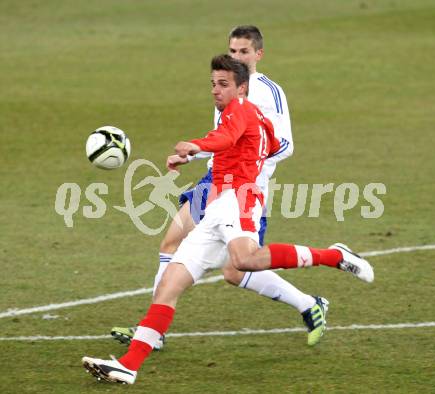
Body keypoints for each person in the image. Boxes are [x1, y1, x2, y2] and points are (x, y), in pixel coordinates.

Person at [82, 54, 374, 385]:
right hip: (217, 205)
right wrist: (208, 152)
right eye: (213, 84)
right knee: (169, 285)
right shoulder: (249, 116)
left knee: (244, 260)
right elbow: (251, 141)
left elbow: (228, 138)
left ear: (241, 88)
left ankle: (334, 256)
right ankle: (129, 365)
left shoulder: (240, 111)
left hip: (240, 199)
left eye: (223, 84)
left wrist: (196, 145)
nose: (215, 91)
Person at [111, 25, 316, 350]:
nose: (237, 57)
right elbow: (223, 138)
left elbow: (285, 144)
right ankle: (153, 332)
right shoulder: (228, 88)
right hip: (214, 182)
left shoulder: (269, 93)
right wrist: (192, 154)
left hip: (245, 190)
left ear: (258, 54)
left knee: (235, 270)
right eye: (233, 51)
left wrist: (251, 159)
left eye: (244, 52)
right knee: (171, 242)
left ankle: (308, 303)